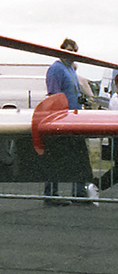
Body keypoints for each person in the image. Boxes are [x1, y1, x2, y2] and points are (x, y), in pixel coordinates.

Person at [44, 39, 98, 206]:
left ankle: (79, 192)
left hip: (75, 118)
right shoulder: (56, 69)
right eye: (69, 50)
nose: (71, 54)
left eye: (74, 51)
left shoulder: (70, 70)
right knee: (57, 158)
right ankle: (51, 194)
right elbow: (54, 95)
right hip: (62, 119)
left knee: (80, 157)